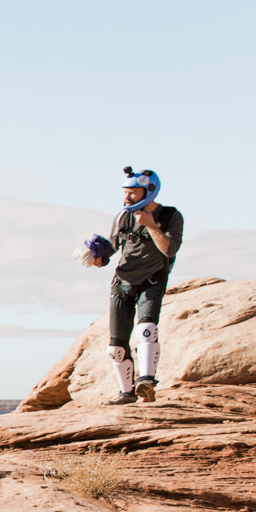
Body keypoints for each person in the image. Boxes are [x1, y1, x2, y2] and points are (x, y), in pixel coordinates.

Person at [79, 167, 183, 404]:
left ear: (150, 191)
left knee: (146, 329)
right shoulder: (123, 217)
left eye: (132, 193)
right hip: (122, 283)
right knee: (115, 347)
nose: (126, 198)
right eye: (126, 193)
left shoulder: (170, 216)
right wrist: (97, 258)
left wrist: (150, 225)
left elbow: (169, 249)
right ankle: (126, 393)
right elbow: (113, 249)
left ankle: (146, 381)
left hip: (152, 279)